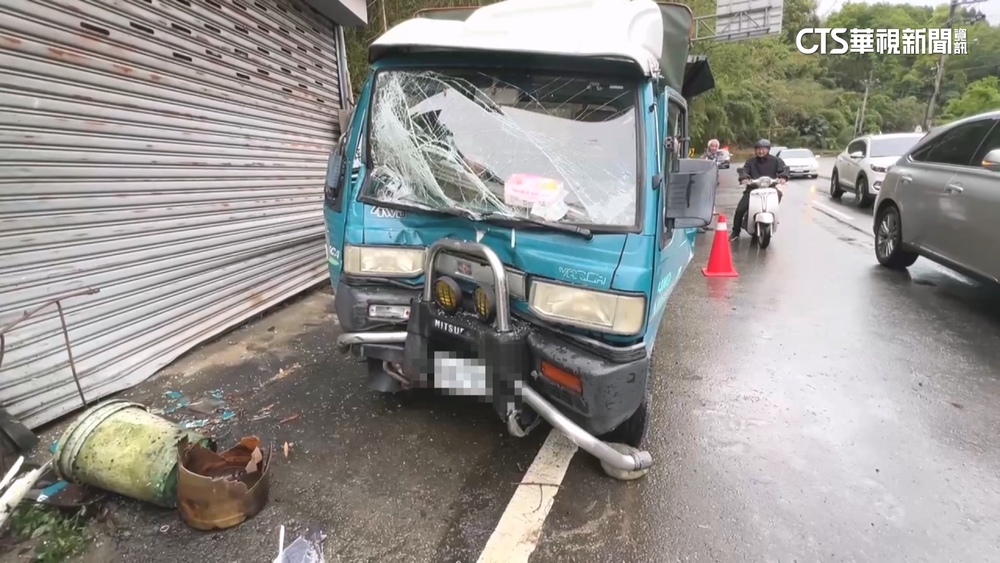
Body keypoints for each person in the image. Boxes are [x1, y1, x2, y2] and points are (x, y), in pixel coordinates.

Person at [731, 139, 788, 241]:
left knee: (778, 194)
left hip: (770, 189)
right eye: (758, 149)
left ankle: (772, 212)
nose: (760, 151)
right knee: (740, 210)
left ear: (768, 150)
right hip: (753, 190)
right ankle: (735, 232)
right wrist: (744, 178)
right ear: (755, 150)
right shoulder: (750, 162)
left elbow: (783, 170)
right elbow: (744, 171)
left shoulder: (776, 160)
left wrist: (783, 177)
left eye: (763, 149)